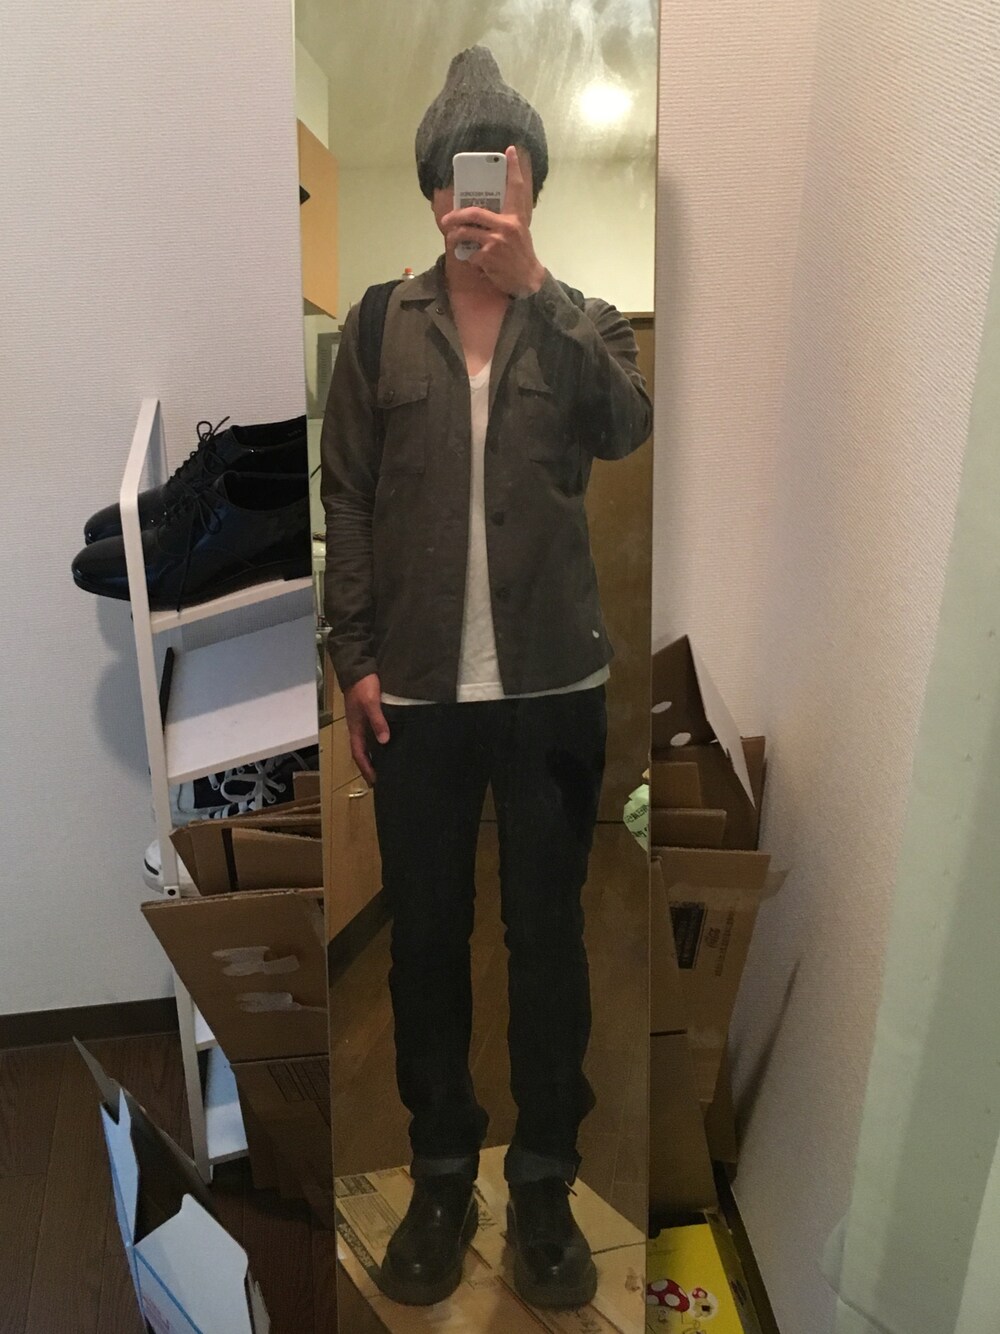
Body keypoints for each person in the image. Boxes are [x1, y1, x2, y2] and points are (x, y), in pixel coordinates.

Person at [321, 46, 651, 1310]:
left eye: (498, 176)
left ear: (527, 187)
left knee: (550, 937)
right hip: (415, 693)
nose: (472, 201)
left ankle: (547, 1180)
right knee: (423, 941)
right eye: (454, 177)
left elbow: (626, 424)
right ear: (430, 192)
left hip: (552, 688)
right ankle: (444, 1170)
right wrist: (353, 656)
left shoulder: (586, 319)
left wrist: (538, 287)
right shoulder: (373, 326)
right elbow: (347, 497)